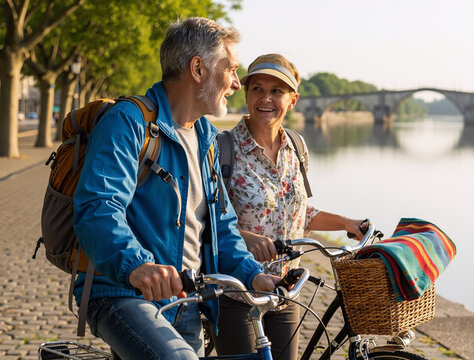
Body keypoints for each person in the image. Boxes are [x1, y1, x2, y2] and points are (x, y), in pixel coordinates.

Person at [72, 18, 280, 360]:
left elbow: (222, 229)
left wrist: (254, 276)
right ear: (197, 68)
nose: (236, 83)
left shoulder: (207, 139)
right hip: (123, 293)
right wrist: (137, 266)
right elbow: (98, 209)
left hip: (187, 300)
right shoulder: (129, 122)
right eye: (230, 69)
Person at [215, 53, 365, 360]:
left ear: (292, 100)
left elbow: (299, 214)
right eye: (257, 89)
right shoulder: (223, 148)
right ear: (246, 93)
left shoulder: (296, 146)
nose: (265, 99)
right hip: (237, 292)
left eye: (276, 91)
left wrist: (346, 222)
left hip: (285, 292)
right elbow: (206, 221)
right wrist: (248, 238)